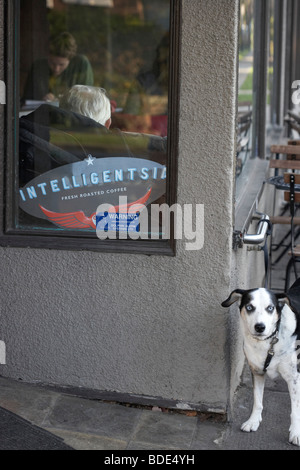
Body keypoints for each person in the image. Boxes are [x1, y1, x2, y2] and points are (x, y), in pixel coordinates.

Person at [22, 32, 94, 103]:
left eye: (61, 64)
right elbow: (27, 99)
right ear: (48, 56)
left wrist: (58, 99)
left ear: (71, 59)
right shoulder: (38, 66)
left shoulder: (81, 64)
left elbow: (86, 99)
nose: (56, 69)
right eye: (52, 63)